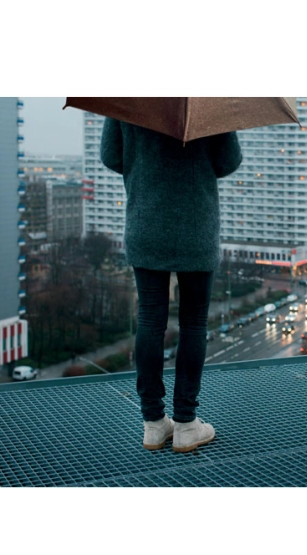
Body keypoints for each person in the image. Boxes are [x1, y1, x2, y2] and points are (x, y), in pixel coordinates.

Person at [101, 118, 242, 452]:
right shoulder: (209, 99)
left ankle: (153, 423)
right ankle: (186, 424)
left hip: (145, 223)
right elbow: (228, 161)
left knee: (150, 319)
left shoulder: (129, 96)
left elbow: (111, 156)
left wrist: (147, 166)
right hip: (196, 226)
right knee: (194, 324)